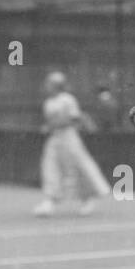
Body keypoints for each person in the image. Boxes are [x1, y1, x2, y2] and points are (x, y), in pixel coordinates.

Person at [34, 72, 111, 217]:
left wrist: (55, 125)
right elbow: (51, 122)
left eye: (49, 84)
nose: (46, 86)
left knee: (79, 166)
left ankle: (87, 199)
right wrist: (49, 127)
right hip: (55, 139)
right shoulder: (48, 103)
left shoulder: (68, 100)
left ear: (57, 86)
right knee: (49, 166)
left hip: (69, 138)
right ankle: (50, 201)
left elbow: (75, 119)